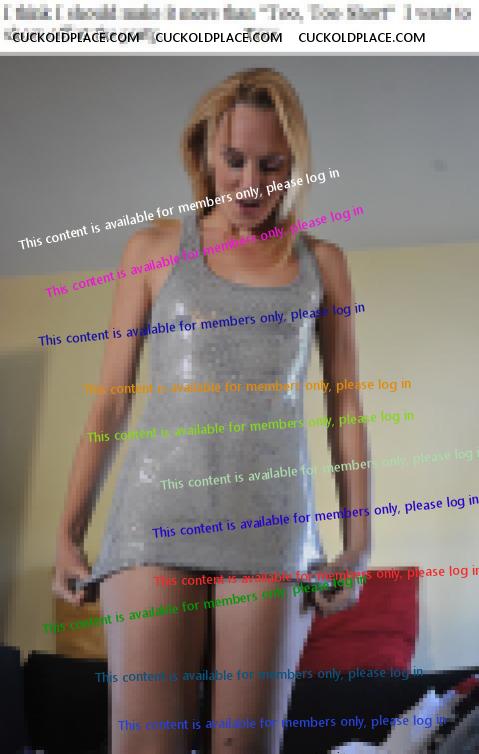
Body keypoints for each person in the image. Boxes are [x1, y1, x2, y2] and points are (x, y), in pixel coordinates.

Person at [53, 67, 370, 754]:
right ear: (203, 154)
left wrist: (358, 545)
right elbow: (111, 400)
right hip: (153, 521)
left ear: (296, 165)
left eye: (272, 165)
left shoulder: (324, 263)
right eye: (234, 160)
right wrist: (68, 532)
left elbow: (344, 406)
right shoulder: (151, 249)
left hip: (273, 530)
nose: (251, 182)